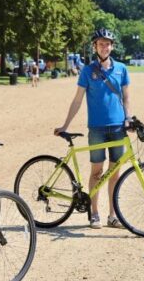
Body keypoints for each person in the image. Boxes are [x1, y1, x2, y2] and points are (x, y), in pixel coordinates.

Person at [55, 29, 131, 229]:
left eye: (107, 44)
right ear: (95, 47)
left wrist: (129, 118)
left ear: (111, 46)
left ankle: (113, 215)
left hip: (117, 127)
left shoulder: (122, 69)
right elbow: (78, 100)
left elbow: (126, 97)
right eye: (100, 44)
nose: (104, 47)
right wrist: (65, 125)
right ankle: (94, 213)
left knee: (114, 173)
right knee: (96, 172)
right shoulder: (88, 71)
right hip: (96, 128)